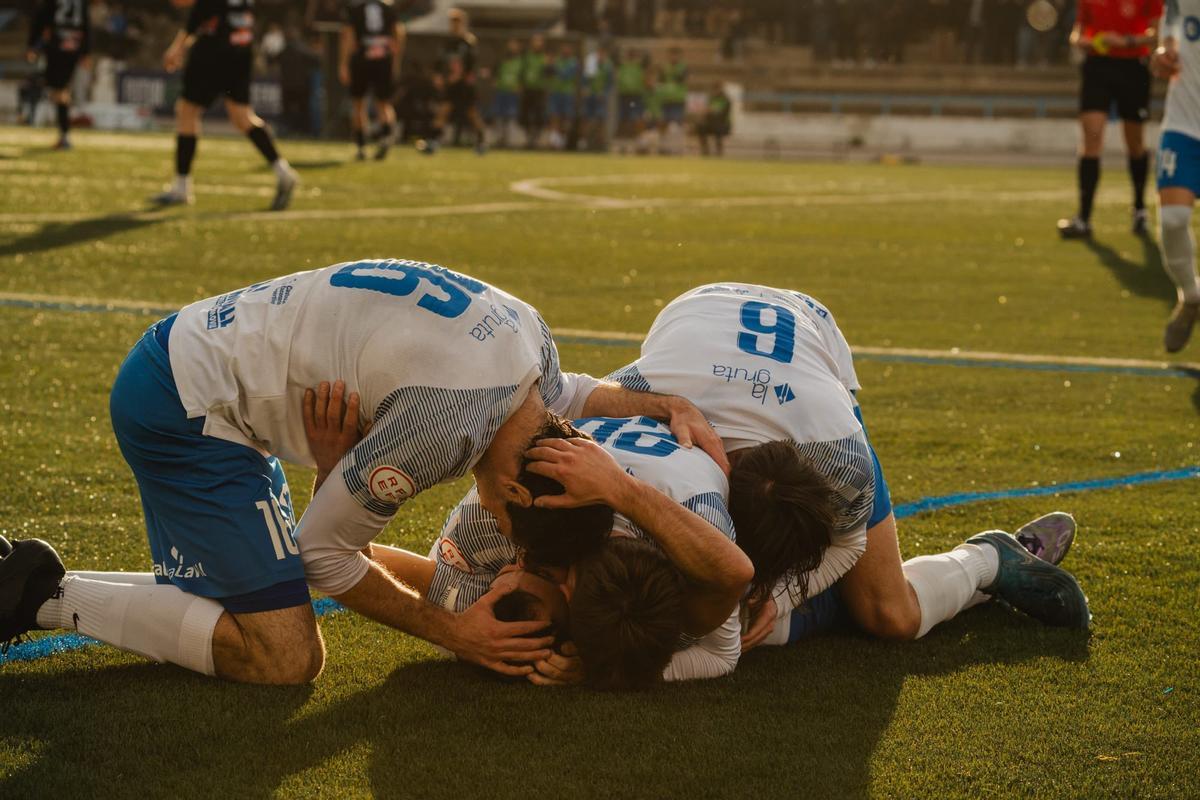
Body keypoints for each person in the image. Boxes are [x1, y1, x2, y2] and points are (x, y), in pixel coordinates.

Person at [0, 259, 725, 684]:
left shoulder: (529, 346)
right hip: (188, 408)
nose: (502, 545)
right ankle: (32, 590)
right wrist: (455, 633)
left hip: (201, 361)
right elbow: (321, 553)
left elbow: (563, 394)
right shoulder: (444, 429)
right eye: (513, 532)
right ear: (511, 491)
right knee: (285, 658)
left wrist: (658, 402)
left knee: (245, 601)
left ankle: (27, 580)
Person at [607, 283, 1091, 651]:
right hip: (701, 311)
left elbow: (849, 542)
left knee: (887, 613)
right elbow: (563, 397)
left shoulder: (838, 456)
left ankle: (988, 559)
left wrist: (780, 599)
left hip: (812, 344)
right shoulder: (640, 400)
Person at [354, 414, 747, 689]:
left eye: (541, 575)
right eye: (546, 574)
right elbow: (726, 631)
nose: (522, 565)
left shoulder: (492, 558)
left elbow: (352, 558)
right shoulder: (491, 524)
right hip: (683, 427)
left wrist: (453, 631)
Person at [152, 0, 299, 211]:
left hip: (214, 50)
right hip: (241, 47)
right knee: (242, 116)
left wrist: (177, 48)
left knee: (187, 110)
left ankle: (181, 186)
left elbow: (199, 12)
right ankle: (283, 172)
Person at [1057, 0, 1163, 238]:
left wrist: (1126, 41)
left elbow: (1157, 33)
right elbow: (1077, 32)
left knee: (1134, 142)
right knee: (1092, 137)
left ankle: (1139, 210)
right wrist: (1082, 41)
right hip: (1097, 66)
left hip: (1133, 67)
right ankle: (1084, 217)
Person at [1151, 0, 1200, 351]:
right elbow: (1170, 13)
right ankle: (1190, 296)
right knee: (1172, 218)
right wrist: (1164, 47)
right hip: (1185, 125)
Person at [339, 0, 405, 161]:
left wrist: (343, 64)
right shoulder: (388, 7)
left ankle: (361, 146)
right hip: (383, 59)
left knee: (359, 104)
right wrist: (395, 61)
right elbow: (399, 33)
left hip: (362, 58)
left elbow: (348, 35)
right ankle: (385, 137)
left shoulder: (355, 7)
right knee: (383, 103)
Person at [26, 0, 91, 150]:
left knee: (59, 91)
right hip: (74, 47)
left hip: (57, 46)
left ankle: (64, 134)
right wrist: (86, 51)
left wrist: (32, 45)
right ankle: (64, 134)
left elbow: (41, 18)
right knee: (60, 90)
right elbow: (86, 24)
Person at [421, 7, 485, 154]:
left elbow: (472, 65)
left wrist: (461, 76)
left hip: (465, 85)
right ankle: (433, 141)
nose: (455, 25)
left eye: (458, 22)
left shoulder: (468, 42)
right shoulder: (448, 43)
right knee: (443, 110)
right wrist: (438, 76)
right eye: (452, 22)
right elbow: (439, 63)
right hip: (451, 84)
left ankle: (481, 141)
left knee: (472, 113)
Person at [547, 41, 580, 150]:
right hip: (555, 92)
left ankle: (564, 141)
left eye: (567, 48)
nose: (565, 50)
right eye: (563, 48)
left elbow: (565, 75)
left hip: (567, 93)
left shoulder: (573, 62)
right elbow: (548, 73)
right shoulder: (557, 60)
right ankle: (554, 142)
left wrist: (553, 66)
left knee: (566, 118)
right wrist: (549, 66)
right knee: (554, 116)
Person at [490, 38, 523, 147]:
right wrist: (495, 81)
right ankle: (499, 137)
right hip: (501, 91)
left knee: (510, 115)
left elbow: (522, 76)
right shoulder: (502, 60)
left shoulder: (520, 61)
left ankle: (509, 139)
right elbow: (495, 72)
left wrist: (519, 86)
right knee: (498, 114)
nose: (512, 47)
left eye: (514, 44)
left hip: (512, 92)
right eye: (510, 44)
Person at [519, 34, 549, 149]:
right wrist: (521, 84)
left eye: (539, 41)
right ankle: (528, 137)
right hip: (528, 89)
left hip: (539, 89)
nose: (537, 43)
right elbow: (522, 71)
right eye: (535, 41)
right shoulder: (527, 56)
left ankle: (536, 138)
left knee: (539, 114)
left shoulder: (544, 57)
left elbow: (549, 73)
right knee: (525, 114)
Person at [582, 42, 613, 150]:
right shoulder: (591, 62)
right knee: (587, 117)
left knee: (601, 119)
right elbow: (586, 79)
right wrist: (586, 89)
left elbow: (610, 83)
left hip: (601, 97)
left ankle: (601, 143)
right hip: (591, 96)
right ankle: (585, 142)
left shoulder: (608, 65)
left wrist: (604, 93)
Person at [657, 46, 688, 154]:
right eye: (671, 54)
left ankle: (679, 148)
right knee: (663, 123)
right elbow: (660, 81)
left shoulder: (682, 67)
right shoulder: (664, 67)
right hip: (666, 99)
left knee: (678, 124)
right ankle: (663, 147)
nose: (673, 57)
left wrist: (672, 71)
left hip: (678, 99)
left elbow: (681, 78)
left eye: (675, 55)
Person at [615, 47, 647, 151]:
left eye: (633, 55)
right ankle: (621, 141)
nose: (631, 57)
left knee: (635, 118)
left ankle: (636, 141)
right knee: (623, 119)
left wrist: (645, 51)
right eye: (630, 55)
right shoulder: (623, 66)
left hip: (635, 96)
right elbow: (614, 59)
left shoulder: (639, 66)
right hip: (624, 95)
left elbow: (647, 60)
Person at [697, 81, 731, 156]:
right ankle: (705, 150)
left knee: (718, 129)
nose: (715, 91)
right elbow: (706, 110)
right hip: (711, 123)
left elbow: (721, 112)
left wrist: (710, 110)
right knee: (701, 127)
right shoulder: (711, 99)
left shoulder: (725, 100)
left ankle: (719, 151)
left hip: (722, 123)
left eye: (717, 89)